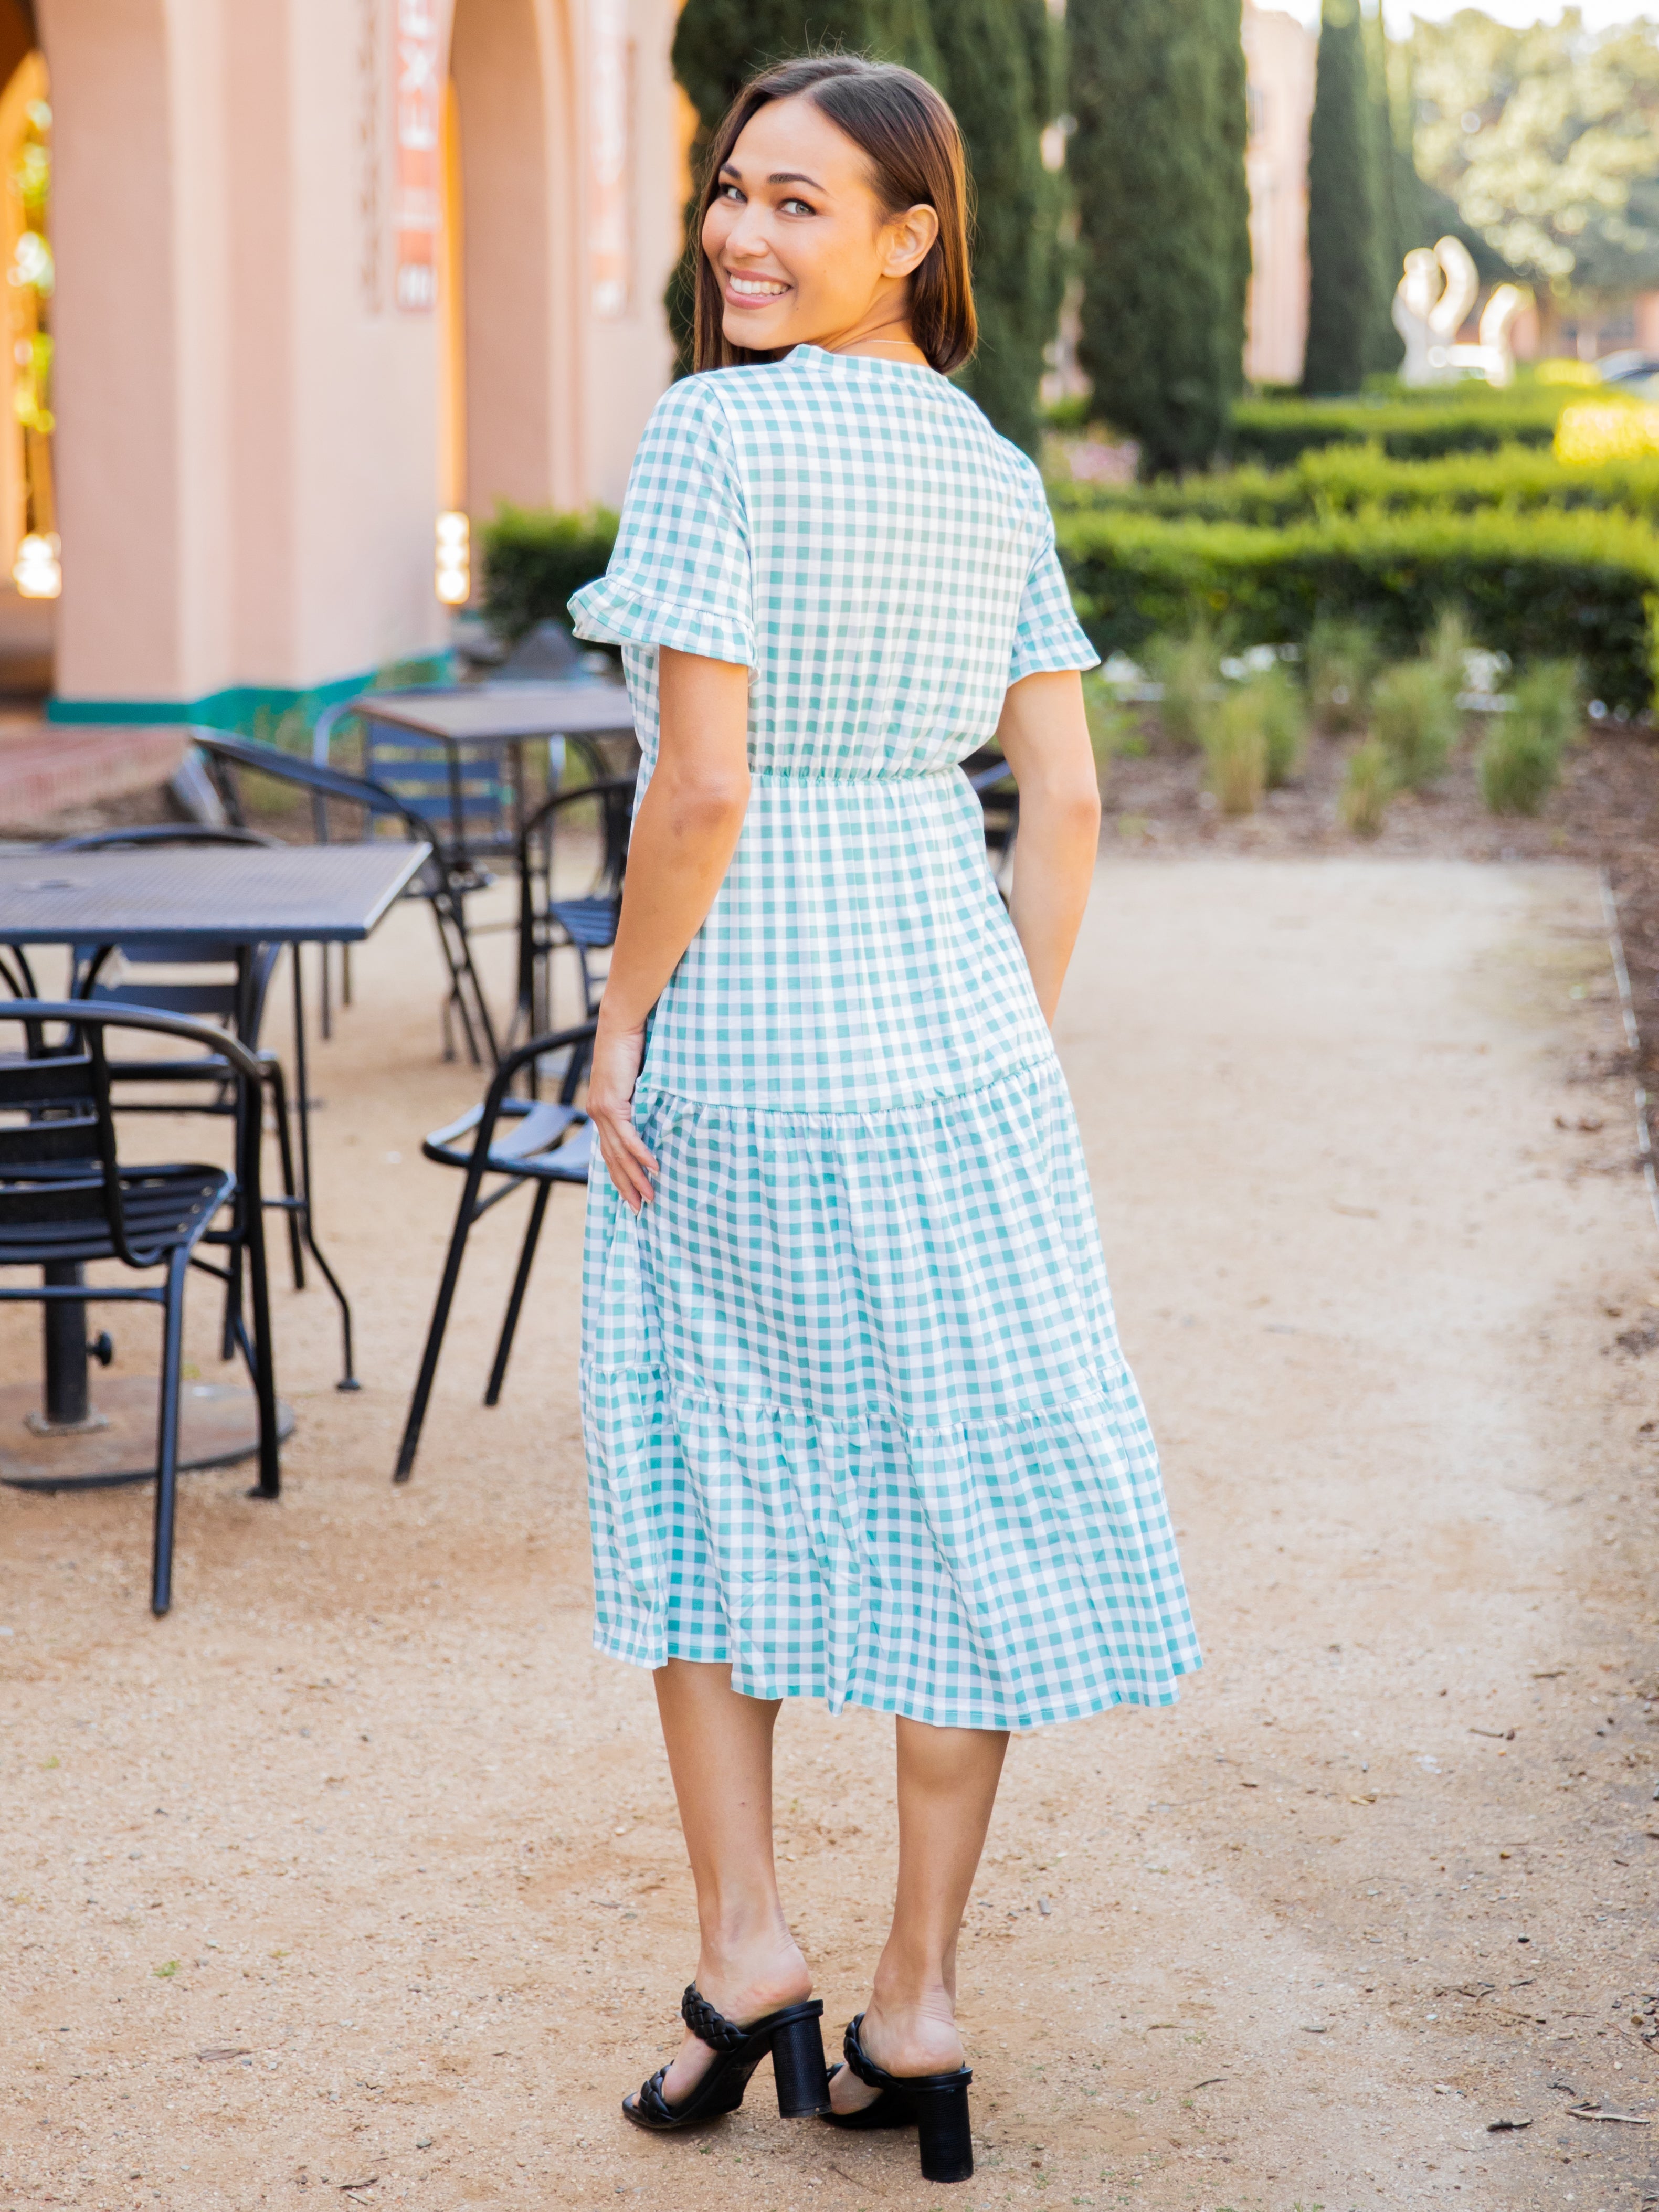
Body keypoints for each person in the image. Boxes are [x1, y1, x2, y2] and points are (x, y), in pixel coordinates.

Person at [568, 52, 1200, 2187]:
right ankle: (911, 2002)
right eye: (727, 192)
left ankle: (747, 1955)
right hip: (952, 1041)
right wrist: (997, 1036)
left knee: (699, 1469)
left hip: (743, 1036)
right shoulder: (989, 470)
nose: (738, 235)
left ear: (910, 238)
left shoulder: (713, 431)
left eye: (795, 204)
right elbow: (1069, 801)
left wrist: (618, 1020)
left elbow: (704, 787)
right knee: (964, 1505)